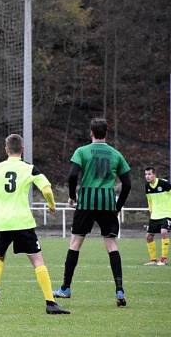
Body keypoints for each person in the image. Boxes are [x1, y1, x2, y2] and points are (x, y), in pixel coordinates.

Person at [0, 134, 69, 315]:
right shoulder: (29, 168)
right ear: (23, 149)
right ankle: (50, 302)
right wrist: (51, 205)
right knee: (37, 260)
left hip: (0, 222)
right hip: (22, 221)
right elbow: (46, 188)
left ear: (6, 149)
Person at [53, 118, 131, 307]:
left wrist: (72, 196)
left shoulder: (82, 151)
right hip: (107, 203)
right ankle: (119, 290)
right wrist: (117, 206)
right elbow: (127, 184)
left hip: (86, 202)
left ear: (91, 133)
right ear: (106, 132)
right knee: (111, 244)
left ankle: (65, 288)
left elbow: (72, 175)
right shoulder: (116, 154)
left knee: (75, 243)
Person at [142, 167, 170, 266]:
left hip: (167, 213)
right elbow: (149, 201)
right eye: (146, 174)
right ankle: (153, 260)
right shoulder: (147, 186)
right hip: (155, 215)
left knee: (163, 232)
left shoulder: (164, 183)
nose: (147, 176)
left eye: (149, 174)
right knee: (149, 237)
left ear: (154, 174)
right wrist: (151, 212)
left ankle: (164, 259)